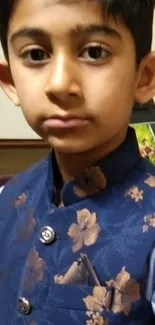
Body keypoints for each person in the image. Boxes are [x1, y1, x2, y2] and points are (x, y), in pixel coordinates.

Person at [0, 0, 155, 324]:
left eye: (95, 52)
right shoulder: (8, 196)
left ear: (144, 77)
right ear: (10, 80)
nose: (59, 84)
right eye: (36, 54)